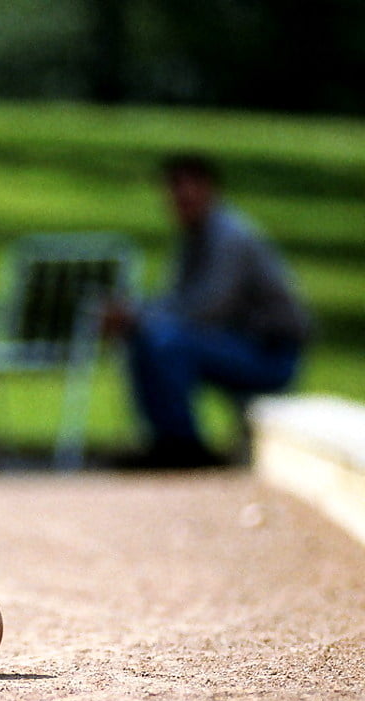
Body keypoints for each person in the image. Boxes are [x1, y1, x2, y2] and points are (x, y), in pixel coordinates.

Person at [106, 154, 312, 468]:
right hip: (232, 346)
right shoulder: (194, 236)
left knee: (164, 341)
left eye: (187, 188)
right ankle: (166, 441)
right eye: (173, 189)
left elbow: (208, 308)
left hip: (269, 354)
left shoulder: (229, 236)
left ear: (209, 189)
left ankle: (183, 446)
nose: (179, 198)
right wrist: (135, 315)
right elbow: (174, 300)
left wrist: (137, 316)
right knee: (147, 336)